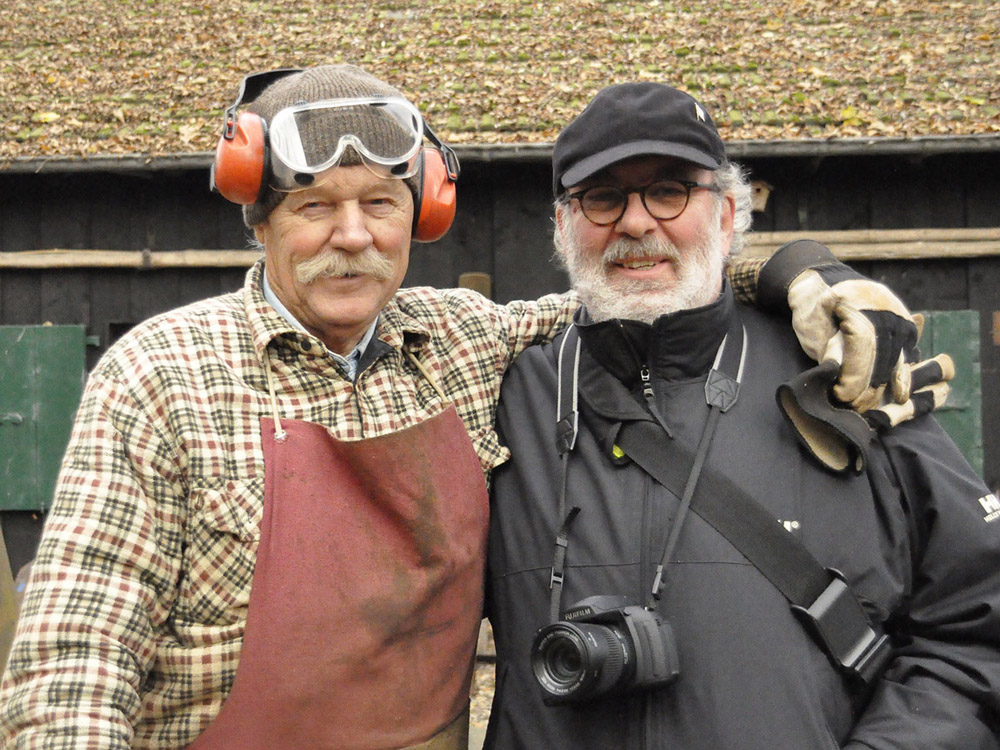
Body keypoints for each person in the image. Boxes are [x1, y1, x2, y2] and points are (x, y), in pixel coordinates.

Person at [0, 66, 938, 750]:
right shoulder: (158, 375)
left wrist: (798, 272)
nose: (353, 235)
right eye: (315, 207)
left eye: (379, 201)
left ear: (423, 215)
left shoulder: (460, 343)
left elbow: (635, 276)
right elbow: (75, 660)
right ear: (261, 222)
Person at [484, 81, 1000, 750]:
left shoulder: (846, 378)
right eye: (603, 197)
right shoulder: (501, 394)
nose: (636, 223)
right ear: (562, 226)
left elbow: (976, 631)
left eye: (670, 191)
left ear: (728, 215)